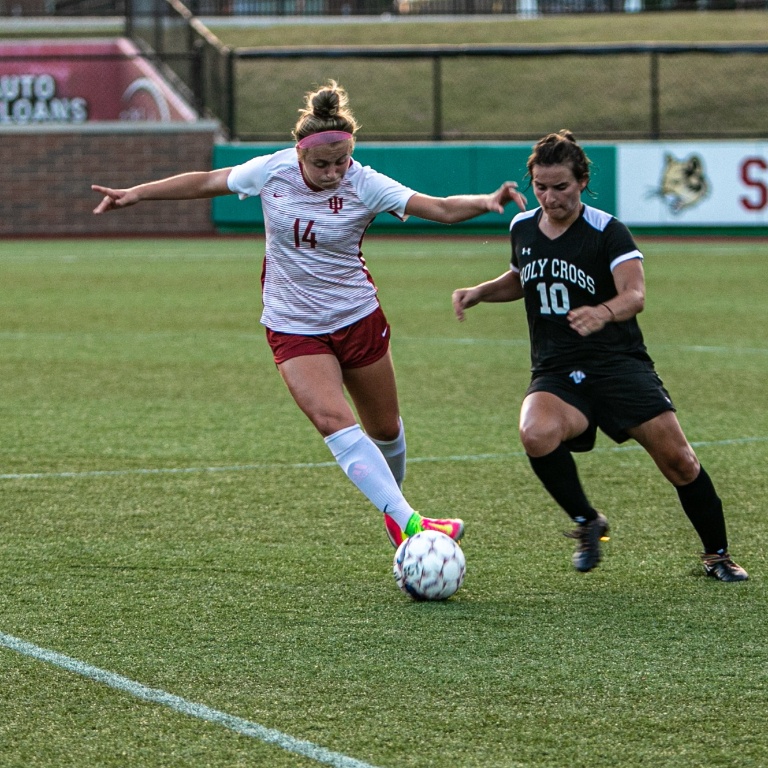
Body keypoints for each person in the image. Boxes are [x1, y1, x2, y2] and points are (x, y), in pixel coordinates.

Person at [92, 80, 526, 550]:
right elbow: (206, 181)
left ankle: (396, 513)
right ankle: (412, 523)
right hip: (293, 325)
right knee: (332, 421)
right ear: (300, 155)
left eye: (342, 161)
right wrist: (137, 193)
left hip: (357, 317)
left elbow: (438, 208)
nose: (334, 172)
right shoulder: (271, 171)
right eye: (322, 164)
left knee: (385, 429)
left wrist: (485, 202)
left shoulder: (366, 182)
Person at [452, 129, 748, 582]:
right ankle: (587, 521)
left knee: (680, 462)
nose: (550, 198)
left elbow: (635, 295)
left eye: (561, 187)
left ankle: (717, 555)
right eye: (541, 187)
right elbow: (522, 277)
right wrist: (480, 292)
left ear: (583, 181)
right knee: (535, 433)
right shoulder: (522, 227)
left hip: (617, 365)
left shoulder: (607, 230)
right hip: (555, 367)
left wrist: (602, 313)